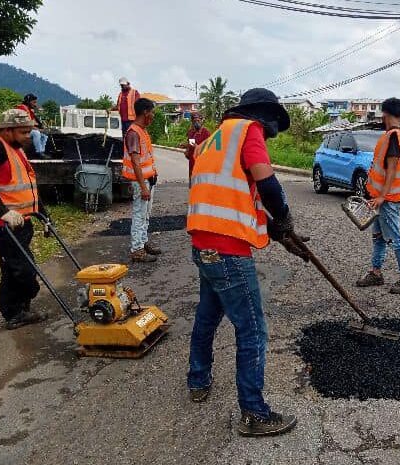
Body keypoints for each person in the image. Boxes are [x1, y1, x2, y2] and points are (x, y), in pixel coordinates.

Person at [186, 88, 309, 437]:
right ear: (263, 116)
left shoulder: (213, 139)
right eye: (271, 131)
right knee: (252, 329)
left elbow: (234, 198)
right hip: (227, 250)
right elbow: (266, 182)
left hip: (204, 242)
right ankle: (254, 413)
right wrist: (283, 217)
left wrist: (277, 231)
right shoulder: (247, 130)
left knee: (207, 316)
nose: (269, 138)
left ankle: (198, 380)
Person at [0, 109, 50, 329]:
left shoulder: (16, 149)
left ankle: (17, 310)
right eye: (23, 132)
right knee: (23, 270)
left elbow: (29, 189)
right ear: (6, 130)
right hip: (1, 223)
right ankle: (14, 308)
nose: (28, 136)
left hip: (21, 221)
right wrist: (2, 212)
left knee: (13, 266)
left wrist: (45, 216)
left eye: (29, 132)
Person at [356, 97, 400, 294]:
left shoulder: (394, 137)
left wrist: (382, 196)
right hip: (383, 199)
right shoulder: (392, 135)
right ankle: (376, 272)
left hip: (388, 200)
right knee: (379, 238)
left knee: (394, 239)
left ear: (385, 114)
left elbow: (391, 168)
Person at [122, 98, 160, 263]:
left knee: (145, 215)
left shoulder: (141, 131)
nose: (152, 115)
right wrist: (144, 187)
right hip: (141, 182)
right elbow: (136, 162)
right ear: (145, 112)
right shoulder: (134, 133)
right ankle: (137, 250)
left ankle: (142, 243)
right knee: (139, 215)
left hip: (147, 180)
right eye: (152, 112)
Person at [16, 94, 49, 158]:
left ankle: (42, 151)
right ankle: (39, 152)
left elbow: (33, 122)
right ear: (28, 101)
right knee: (36, 133)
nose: (35, 104)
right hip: (21, 130)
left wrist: (40, 127)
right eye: (34, 102)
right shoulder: (23, 108)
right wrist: (38, 129)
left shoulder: (29, 109)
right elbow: (27, 124)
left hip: (27, 129)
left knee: (44, 136)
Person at [181, 112, 211, 177]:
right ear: (192, 121)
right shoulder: (191, 132)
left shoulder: (206, 132)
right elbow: (191, 144)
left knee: (200, 182)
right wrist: (186, 147)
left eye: (198, 120)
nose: (196, 122)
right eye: (194, 121)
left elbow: (209, 147)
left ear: (201, 120)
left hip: (201, 163)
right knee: (192, 182)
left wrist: (197, 146)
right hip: (192, 162)